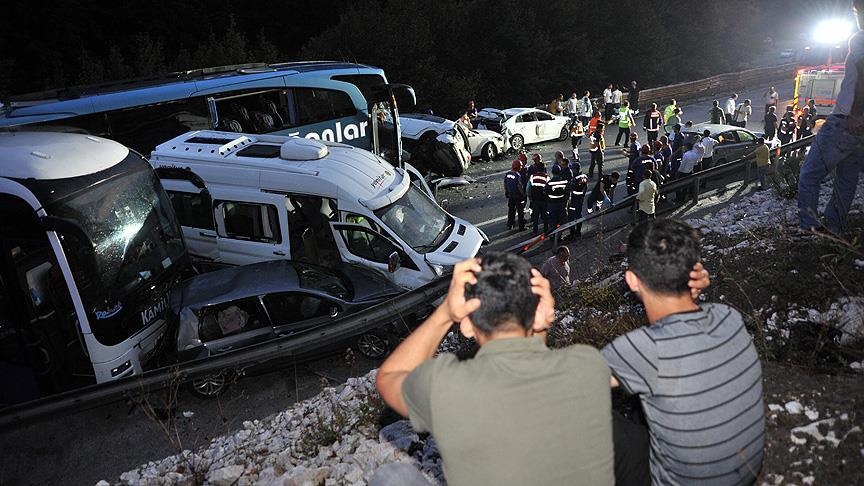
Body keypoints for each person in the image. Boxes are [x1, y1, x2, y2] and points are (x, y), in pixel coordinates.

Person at [374, 254, 614, 486]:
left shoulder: (450, 387)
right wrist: (543, 320)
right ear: (540, 313)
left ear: (467, 326)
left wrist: (445, 312)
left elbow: (388, 377)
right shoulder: (588, 365)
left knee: (391, 476)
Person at [601, 219, 764, 486]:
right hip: (744, 473)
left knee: (601, 422)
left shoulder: (641, 349)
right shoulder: (729, 317)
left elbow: (566, 384)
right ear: (694, 270)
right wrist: (692, 294)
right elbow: (688, 334)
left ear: (631, 280)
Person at [798, 0, 864, 236]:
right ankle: (835, 228)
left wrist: (856, 113)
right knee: (846, 180)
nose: (856, 16)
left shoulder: (860, 38)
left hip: (846, 120)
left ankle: (808, 229)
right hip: (860, 128)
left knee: (809, 175)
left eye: (856, 11)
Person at [545, 164, 569, 233]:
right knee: (561, 222)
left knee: (552, 222)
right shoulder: (565, 181)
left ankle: (553, 235)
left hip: (552, 205)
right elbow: (567, 192)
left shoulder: (549, 183)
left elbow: (545, 192)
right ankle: (559, 235)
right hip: (562, 204)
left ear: (552, 172)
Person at [567, 162, 588, 239]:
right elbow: (586, 187)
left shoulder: (575, 178)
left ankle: (572, 234)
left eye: (572, 169)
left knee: (571, 217)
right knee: (578, 215)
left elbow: (571, 188)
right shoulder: (584, 176)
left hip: (574, 200)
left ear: (575, 170)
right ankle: (578, 232)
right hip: (580, 199)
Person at [528, 161, 549, 236]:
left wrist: (530, 197)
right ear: (544, 169)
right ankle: (546, 230)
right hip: (544, 200)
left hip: (535, 200)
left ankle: (535, 231)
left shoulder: (532, 176)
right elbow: (548, 188)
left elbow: (528, 188)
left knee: (536, 216)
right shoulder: (546, 177)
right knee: (545, 216)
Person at [504, 160, 526, 230]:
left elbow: (505, 184)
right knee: (520, 212)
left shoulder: (508, 174)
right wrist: (523, 194)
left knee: (511, 210)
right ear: (518, 167)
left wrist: (506, 192)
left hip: (510, 195)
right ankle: (521, 227)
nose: (521, 168)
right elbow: (519, 186)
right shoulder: (517, 175)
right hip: (517, 196)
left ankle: (510, 224)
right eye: (520, 166)